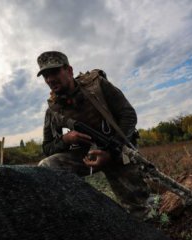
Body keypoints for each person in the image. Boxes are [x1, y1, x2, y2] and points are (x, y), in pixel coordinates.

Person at [37, 51, 151, 219]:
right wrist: (66, 139)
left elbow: (128, 115)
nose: (50, 79)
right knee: (47, 165)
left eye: (54, 72)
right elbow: (47, 147)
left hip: (117, 151)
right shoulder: (53, 110)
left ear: (69, 70)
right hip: (85, 157)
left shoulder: (97, 86)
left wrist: (111, 151)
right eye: (46, 75)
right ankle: (75, 213)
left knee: (139, 214)